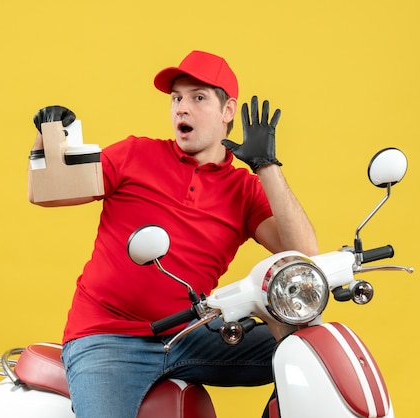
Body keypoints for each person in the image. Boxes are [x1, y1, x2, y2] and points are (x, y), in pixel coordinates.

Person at [28, 50, 318, 418]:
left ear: (228, 110)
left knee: (308, 353)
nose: (182, 108)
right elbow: (47, 194)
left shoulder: (244, 190)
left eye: (198, 98)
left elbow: (304, 253)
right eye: (177, 98)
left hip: (189, 334)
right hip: (107, 337)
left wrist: (267, 167)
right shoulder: (135, 154)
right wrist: (46, 139)